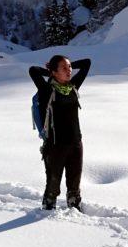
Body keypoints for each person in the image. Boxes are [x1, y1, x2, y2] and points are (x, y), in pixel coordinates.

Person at [29, 54, 91, 211]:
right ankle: (48, 212)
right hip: (55, 146)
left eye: (69, 67)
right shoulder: (46, 90)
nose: (69, 70)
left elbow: (86, 63)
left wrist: (66, 64)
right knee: (53, 184)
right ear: (54, 72)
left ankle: (75, 207)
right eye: (64, 67)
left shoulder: (73, 87)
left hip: (76, 143)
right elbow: (33, 71)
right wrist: (50, 70)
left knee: (74, 182)